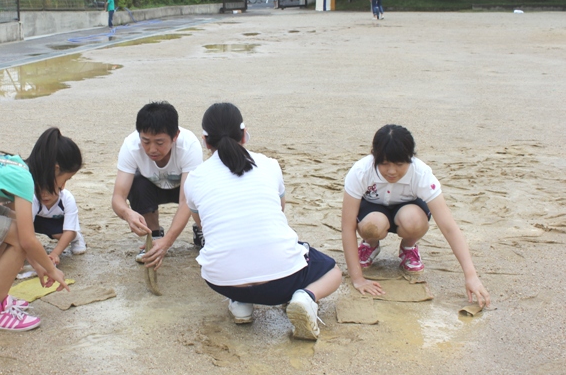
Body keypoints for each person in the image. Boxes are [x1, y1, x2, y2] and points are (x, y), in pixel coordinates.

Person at [174, 103, 342, 340]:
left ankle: (240, 302)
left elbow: (203, 227)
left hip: (222, 280)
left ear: (205, 141)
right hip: (282, 281)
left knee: (230, 249)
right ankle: (306, 297)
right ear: (244, 134)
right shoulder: (269, 164)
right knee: (333, 271)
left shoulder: (194, 179)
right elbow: (280, 210)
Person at [341, 124, 491, 308]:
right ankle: (370, 245)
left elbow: (449, 227)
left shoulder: (421, 173)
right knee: (372, 225)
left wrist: (471, 276)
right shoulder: (361, 171)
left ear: (410, 158)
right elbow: (347, 226)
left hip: (408, 210)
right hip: (373, 211)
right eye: (385, 163)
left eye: (399, 164)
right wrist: (358, 279)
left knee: (414, 220)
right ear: (374, 156)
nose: (392, 171)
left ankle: (408, 247)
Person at [0, 128, 76, 331]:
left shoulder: (15, 164)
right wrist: (52, 270)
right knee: (16, 236)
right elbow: (26, 240)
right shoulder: (23, 179)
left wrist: (38, 265)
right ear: (55, 169)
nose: (63, 187)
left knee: (9, 227)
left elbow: (22, 231)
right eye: (65, 179)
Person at [112, 101, 203, 264]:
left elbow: (186, 202)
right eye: (146, 141)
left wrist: (168, 242)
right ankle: (154, 236)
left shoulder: (189, 146)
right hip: (151, 187)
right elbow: (118, 197)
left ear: (175, 136)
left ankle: (202, 230)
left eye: (159, 143)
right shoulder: (131, 146)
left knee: (199, 190)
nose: (152, 149)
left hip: (182, 189)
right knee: (137, 184)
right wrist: (127, 213)